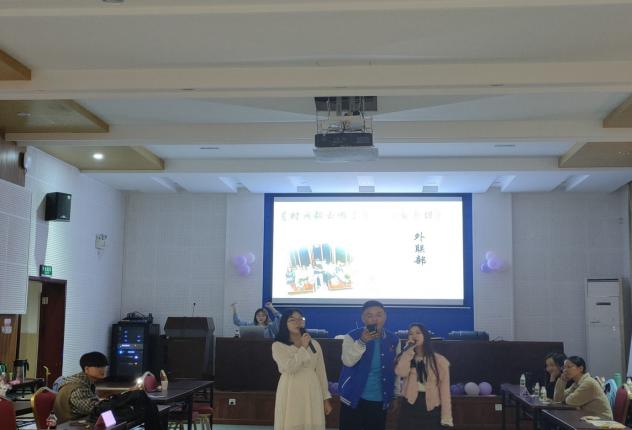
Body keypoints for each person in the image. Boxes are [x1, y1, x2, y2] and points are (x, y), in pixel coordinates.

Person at [338, 300, 401, 430]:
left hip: (379, 398)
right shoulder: (351, 336)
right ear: (363, 318)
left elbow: (396, 370)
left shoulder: (394, 340)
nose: (375, 319)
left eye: (379, 314)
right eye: (369, 315)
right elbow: (348, 361)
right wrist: (362, 341)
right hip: (353, 397)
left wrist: (395, 394)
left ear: (385, 316)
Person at [272, 309, 332, 430]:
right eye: (292, 320)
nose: (298, 322)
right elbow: (289, 368)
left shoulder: (314, 344)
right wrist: (303, 347)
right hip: (290, 388)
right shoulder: (278, 345)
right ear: (284, 323)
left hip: (311, 388)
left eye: (300, 319)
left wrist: (325, 399)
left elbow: (321, 372)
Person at [395, 323, 453, 429]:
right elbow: (401, 372)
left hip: (431, 408)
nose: (414, 336)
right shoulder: (406, 357)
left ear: (425, 336)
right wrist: (408, 351)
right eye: (410, 334)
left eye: (418, 333)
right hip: (409, 406)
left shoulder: (439, 361)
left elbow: (445, 391)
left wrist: (446, 417)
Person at [54, 351, 109, 422]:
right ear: (86, 369)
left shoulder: (86, 382)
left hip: (81, 421)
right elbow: (95, 409)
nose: (103, 369)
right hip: (70, 424)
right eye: (98, 366)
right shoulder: (78, 387)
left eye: (104, 366)